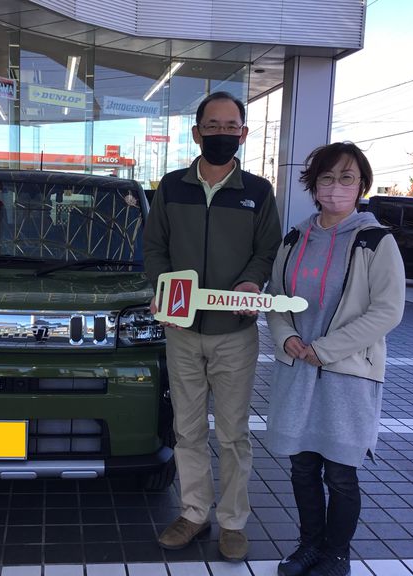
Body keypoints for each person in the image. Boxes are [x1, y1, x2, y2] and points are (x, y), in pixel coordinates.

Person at [143, 91, 282, 562]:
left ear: (243, 133)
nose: (221, 133)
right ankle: (194, 512)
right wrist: (164, 289)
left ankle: (233, 521)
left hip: (235, 334)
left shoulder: (258, 192)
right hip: (181, 331)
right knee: (187, 430)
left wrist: (252, 279)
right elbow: (154, 248)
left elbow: (267, 250)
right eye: (213, 125)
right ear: (197, 131)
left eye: (230, 126)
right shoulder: (171, 186)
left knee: (233, 433)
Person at [265, 142, 405, 576]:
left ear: (362, 185)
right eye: (326, 178)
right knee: (302, 467)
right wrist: (287, 337)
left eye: (347, 178)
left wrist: (325, 349)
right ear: (313, 186)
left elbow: (388, 310)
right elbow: (275, 297)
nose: (336, 186)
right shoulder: (295, 238)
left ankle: (336, 553)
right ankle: (308, 546)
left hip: (348, 374)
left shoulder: (375, 241)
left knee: (341, 474)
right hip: (298, 370)